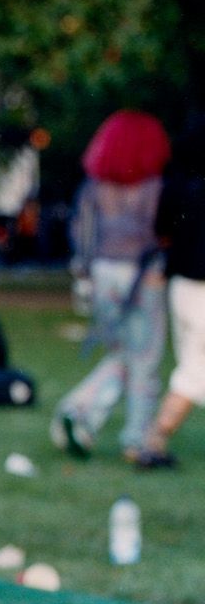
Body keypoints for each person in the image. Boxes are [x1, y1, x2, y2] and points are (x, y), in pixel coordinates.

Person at [53, 109, 169, 463]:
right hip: (143, 274)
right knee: (144, 359)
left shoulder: (94, 187)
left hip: (103, 273)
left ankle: (79, 410)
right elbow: (157, 233)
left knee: (120, 353)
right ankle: (137, 438)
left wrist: (85, 273)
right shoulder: (153, 187)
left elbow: (83, 231)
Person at [134, 110, 203, 467]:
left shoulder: (176, 184)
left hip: (180, 285)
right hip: (202, 288)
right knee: (195, 371)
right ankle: (154, 440)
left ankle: (154, 439)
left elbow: (162, 232)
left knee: (194, 364)